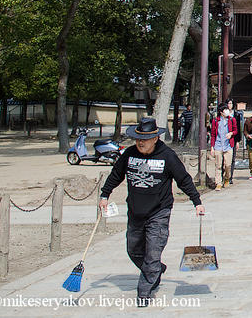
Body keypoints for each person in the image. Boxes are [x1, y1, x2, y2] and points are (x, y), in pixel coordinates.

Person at [99, 118, 204, 307]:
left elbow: (184, 179)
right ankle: (156, 269)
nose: (141, 142)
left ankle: (144, 293)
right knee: (133, 250)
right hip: (135, 211)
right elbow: (116, 174)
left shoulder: (167, 156)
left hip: (159, 211)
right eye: (138, 138)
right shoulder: (130, 154)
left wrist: (197, 202)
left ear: (155, 138)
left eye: (145, 139)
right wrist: (104, 195)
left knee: (152, 253)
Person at [210, 105, 237, 190]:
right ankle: (218, 182)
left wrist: (231, 133)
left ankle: (227, 178)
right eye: (225, 110)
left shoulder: (232, 120)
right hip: (218, 144)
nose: (227, 111)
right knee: (218, 165)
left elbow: (236, 130)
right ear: (221, 112)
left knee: (228, 165)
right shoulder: (215, 121)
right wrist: (212, 147)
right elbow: (213, 134)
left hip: (228, 145)